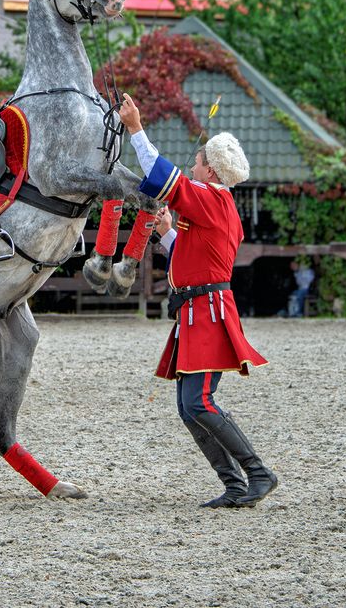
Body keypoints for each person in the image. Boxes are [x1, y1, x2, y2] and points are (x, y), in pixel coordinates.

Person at [118, 92, 277, 509]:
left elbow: (159, 171)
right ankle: (236, 484)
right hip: (195, 310)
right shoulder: (214, 207)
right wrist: (169, 231)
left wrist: (135, 127)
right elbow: (195, 261)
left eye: (198, 161)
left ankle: (257, 473)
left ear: (212, 169)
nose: (193, 165)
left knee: (199, 402)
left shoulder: (212, 198)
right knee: (189, 407)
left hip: (206, 312)